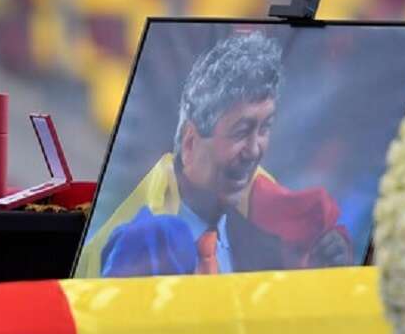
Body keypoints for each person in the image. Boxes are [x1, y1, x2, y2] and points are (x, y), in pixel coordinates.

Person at [79, 30, 352, 278]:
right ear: (190, 143)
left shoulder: (270, 235)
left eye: (264, 128)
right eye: (241, 131)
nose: (254, 149)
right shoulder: (140, 244)